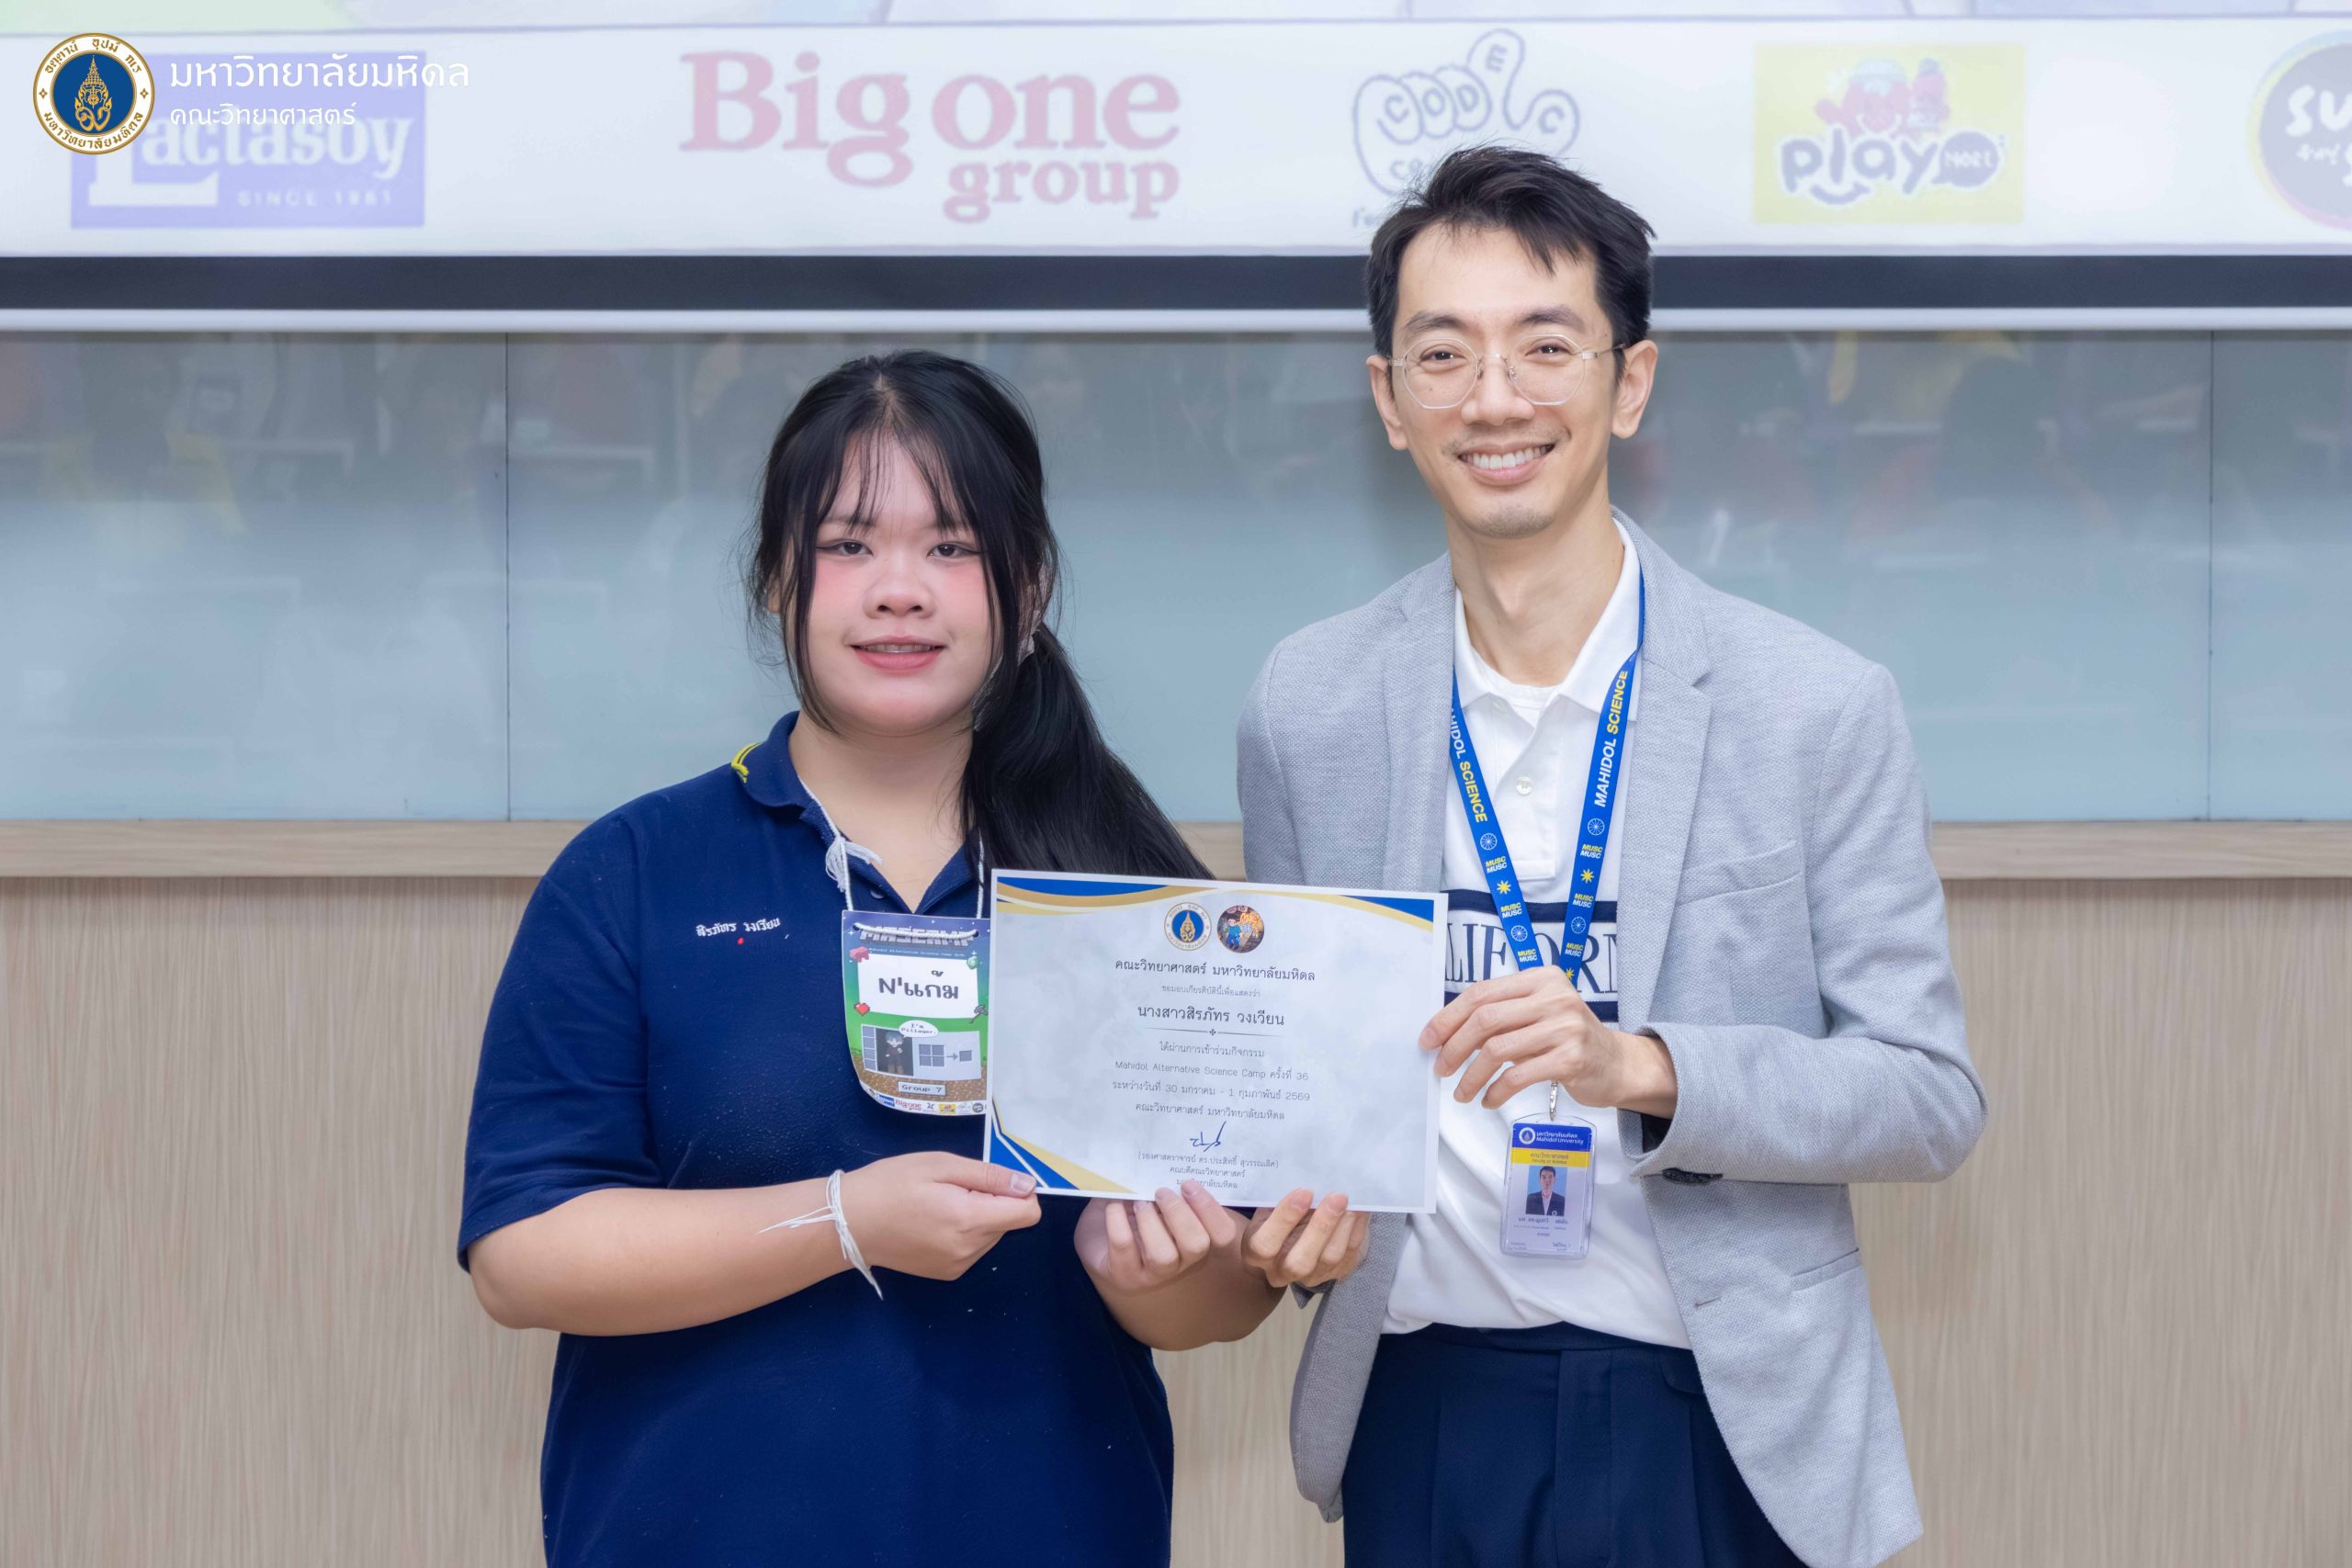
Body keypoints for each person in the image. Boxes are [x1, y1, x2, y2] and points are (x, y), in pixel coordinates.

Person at [458, 350, 1351, 1568]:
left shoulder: (1131, 895)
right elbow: (524, 1256)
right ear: (777, 576)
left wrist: (1154, 1276)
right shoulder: (636, 873)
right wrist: (843, 1219)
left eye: (951, 547)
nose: (898, 592)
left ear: (1028, 585)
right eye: (848, 545)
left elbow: (1223, 1302)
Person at [1237, 149, 1986, 1567]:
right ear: (1389, 399)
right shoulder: (1308, 705)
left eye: (1546, 346)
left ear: (1629, 382)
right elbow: (1304, 1077)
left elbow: (1927, 1097)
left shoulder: (1813, 706)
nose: (1494, 398)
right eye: (1442, 354)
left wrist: (1640, 1065)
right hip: (1425, 1406)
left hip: (1715, 1415)